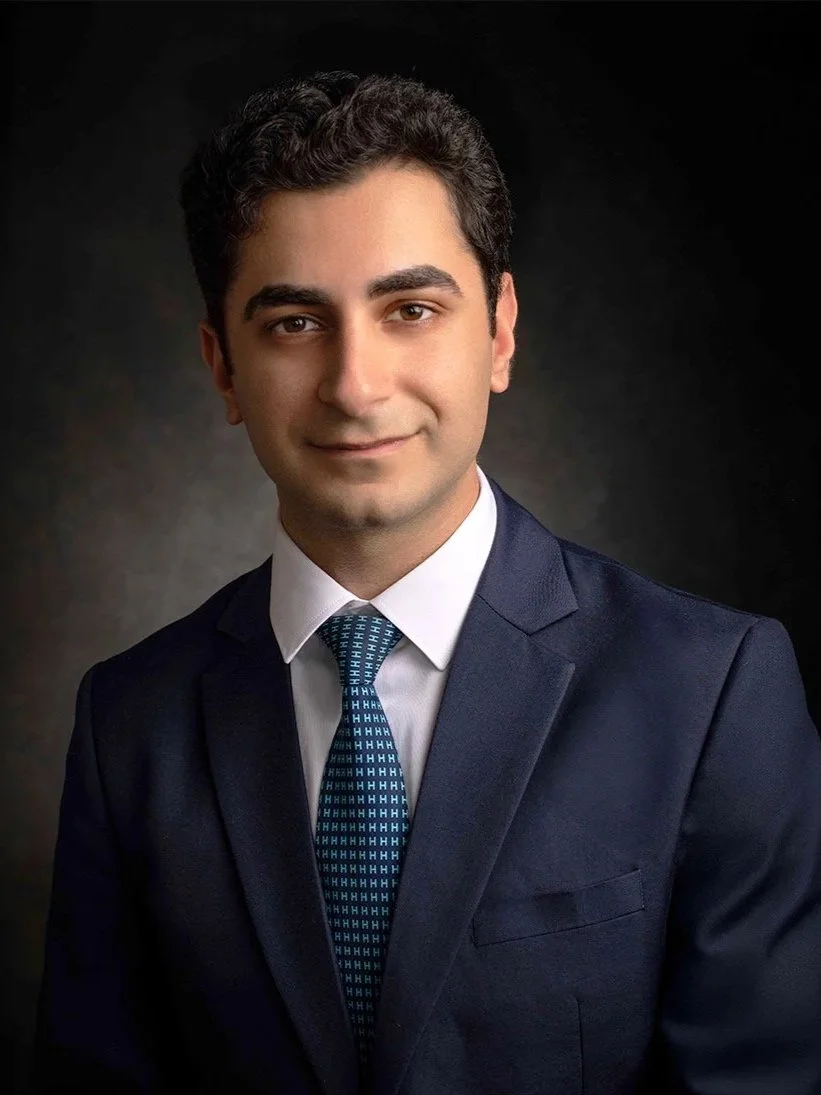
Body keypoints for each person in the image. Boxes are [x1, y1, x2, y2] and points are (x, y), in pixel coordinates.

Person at [31, 69, 821, 1095]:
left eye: (408, 308)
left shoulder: (713, 693)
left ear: (497, 330)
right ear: (221, 367)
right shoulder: (129, 723)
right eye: (294, 324)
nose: (356, 385)